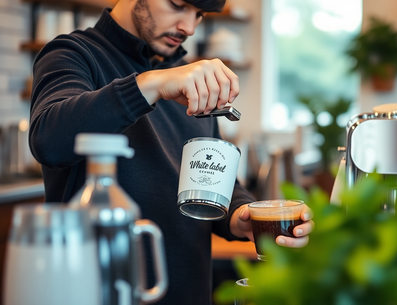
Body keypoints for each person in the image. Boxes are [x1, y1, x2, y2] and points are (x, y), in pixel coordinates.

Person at [28, 0, 314, 304]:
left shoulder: (188, 78)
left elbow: (208, 176)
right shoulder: (73, 54)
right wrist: (150, 84)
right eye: (178, 5)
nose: (189, 28)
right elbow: (49, 140)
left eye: (200, 15)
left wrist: (239, 214)